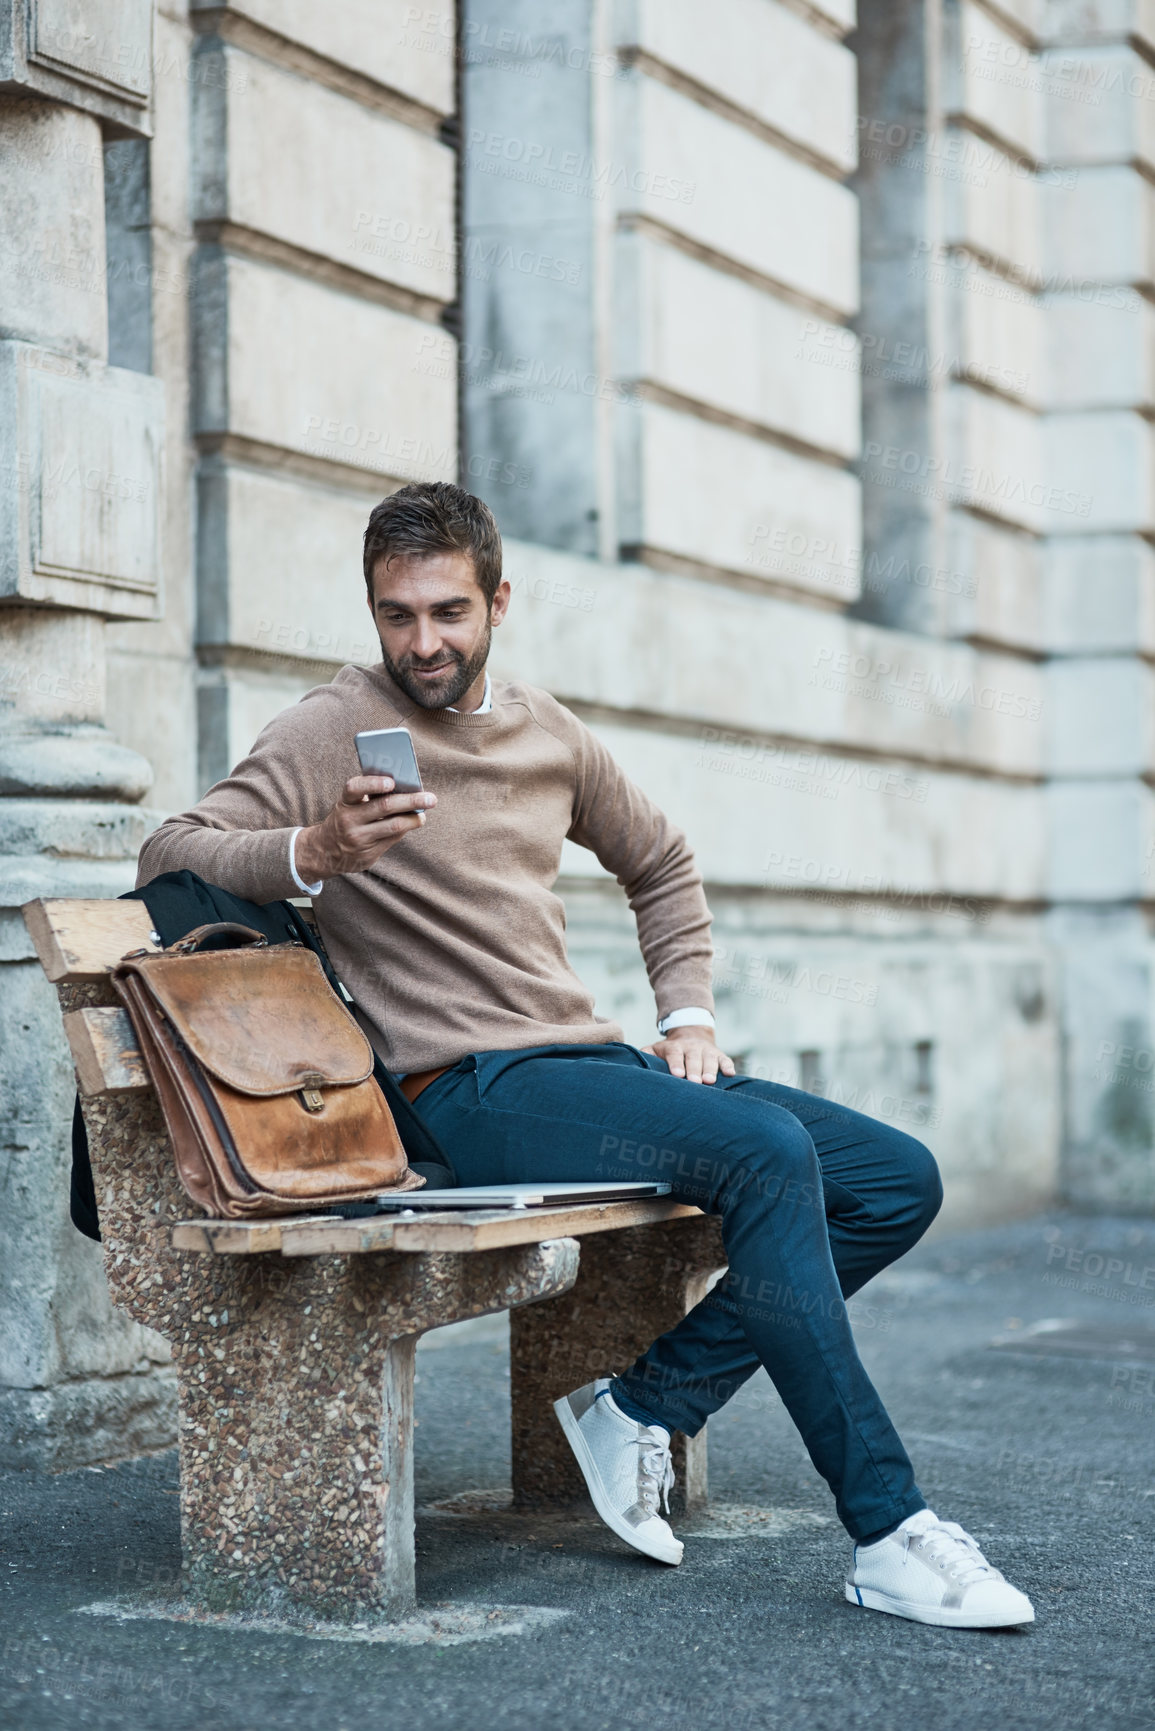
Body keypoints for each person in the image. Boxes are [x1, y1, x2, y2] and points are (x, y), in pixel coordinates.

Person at [138, 482, 1034, 1630]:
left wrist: (690, 1017)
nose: (423, 642)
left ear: (500, 599)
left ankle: (644, 1405)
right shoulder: (330, 725)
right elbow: (174, 847)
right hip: (460, 1092)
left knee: (893, 1178)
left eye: (449, 612)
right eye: (396, 615)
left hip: (588, 1066)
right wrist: (315, 848)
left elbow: (661, 865)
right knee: (765, 1154)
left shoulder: (548, 732)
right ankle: (892, 1530)